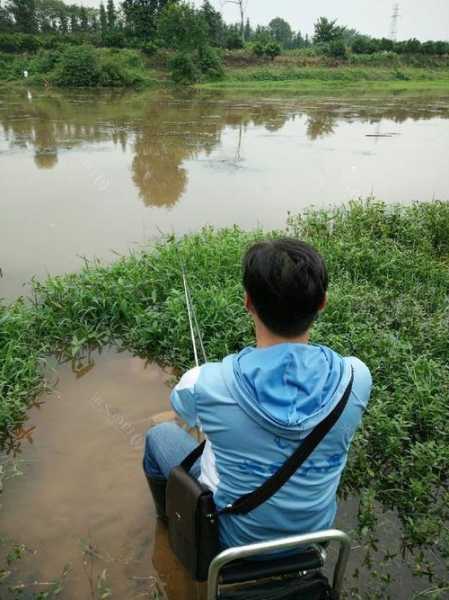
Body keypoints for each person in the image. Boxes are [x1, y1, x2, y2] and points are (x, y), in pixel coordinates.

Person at [143, 239, 372, 550]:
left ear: (248, 302)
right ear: (322, 303)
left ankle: (171, 522)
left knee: (158, 436)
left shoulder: (204, 382)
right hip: (313, 541)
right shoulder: (356, 378)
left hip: (231, 543)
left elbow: (181, 410)